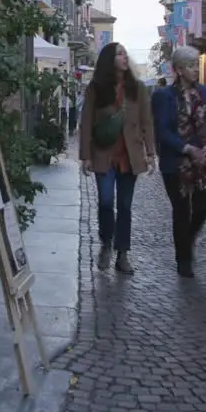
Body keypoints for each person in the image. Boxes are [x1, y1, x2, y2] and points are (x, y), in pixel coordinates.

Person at [79, 43, 155, 274]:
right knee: (105, 202)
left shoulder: (138, 88)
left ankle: (122, 254)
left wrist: (150, 153)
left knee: (125, 206)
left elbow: (146, 121)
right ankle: (106, 243)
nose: (124, 57)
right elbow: (86, 121)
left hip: (130, 157)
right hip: (104, 155)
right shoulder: (96, 88)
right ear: (109, 60)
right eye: (119, 54)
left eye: (125, 53)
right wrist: (85, 156)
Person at [151, 45, 206, 278]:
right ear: (179, 70)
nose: (195, 70)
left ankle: (187, 242)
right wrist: (186, 148)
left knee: (202, 207)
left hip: (201, 161)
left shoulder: (205, 93)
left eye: (196, 65)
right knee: (181, 210)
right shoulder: (163, 96)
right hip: (175, 162)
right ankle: (183, 260)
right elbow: (162, 129)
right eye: (190, 66)